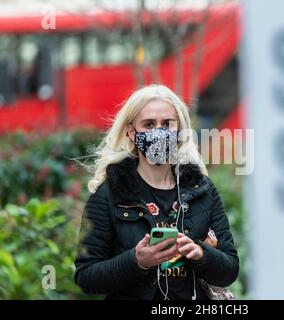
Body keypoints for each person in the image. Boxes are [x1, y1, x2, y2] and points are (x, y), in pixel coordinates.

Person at [74, 84, 239, 300]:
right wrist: (137, 261)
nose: (159, 132)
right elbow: (86, 276)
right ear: (131, 132)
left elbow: (230, 270)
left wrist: (200, 254)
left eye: (167, 124)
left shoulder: (202, 190)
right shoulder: (108, 195)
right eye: (149, 124)